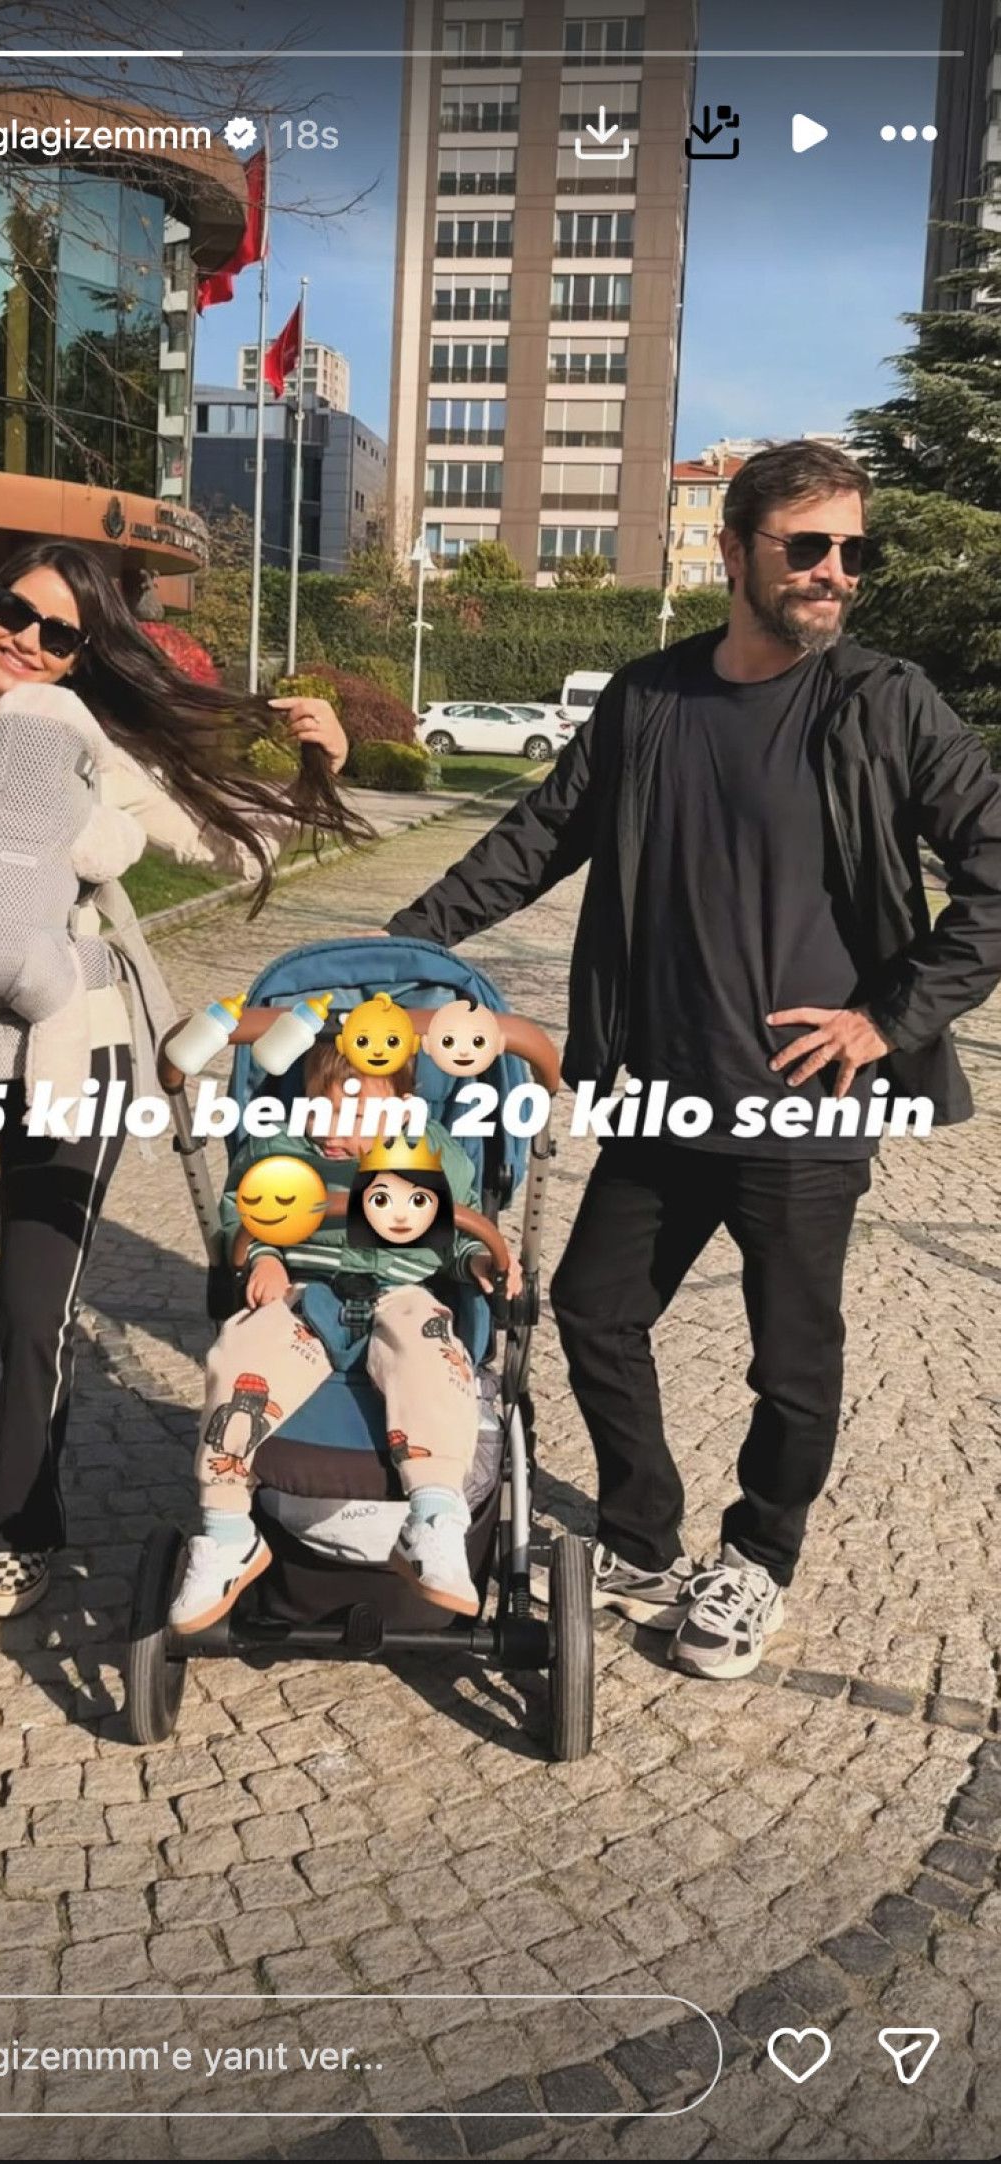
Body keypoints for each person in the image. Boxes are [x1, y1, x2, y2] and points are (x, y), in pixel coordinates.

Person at [384, 438, 1001, 1681]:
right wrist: (403, 940)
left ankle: (759, 1556)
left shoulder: (884, 701)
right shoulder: (649, 697)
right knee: (596, 1310)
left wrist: (886, 1020)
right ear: (735, 553)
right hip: (666, 1093)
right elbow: (540, 835)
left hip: (809, 1111)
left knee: (792, 1362)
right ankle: (642, 1536)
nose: (836, 572)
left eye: (856, 550)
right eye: (809, 546)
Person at [0, 532, 360, 1648]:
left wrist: (320, 768)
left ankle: (25, 1524)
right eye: (16, 611)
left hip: (78, 1049)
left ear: (85, 653)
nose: (30, 640)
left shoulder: (97, 755)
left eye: (61, 633)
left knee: (31, 1305)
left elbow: (230, 847)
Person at [169, 1038, 517, 1630]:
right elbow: (242, 1216)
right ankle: (227, 1530)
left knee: (433, 1359)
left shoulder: (436, 1157)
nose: (332, 1129)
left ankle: (434, 1519)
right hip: (305, 1293)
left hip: (402, 1293)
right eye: (320, 1109)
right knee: (240, 1351)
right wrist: (263, 1257)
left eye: (354, 1116)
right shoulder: (280, 1151)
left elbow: (459, 1235)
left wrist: (480, 1260)